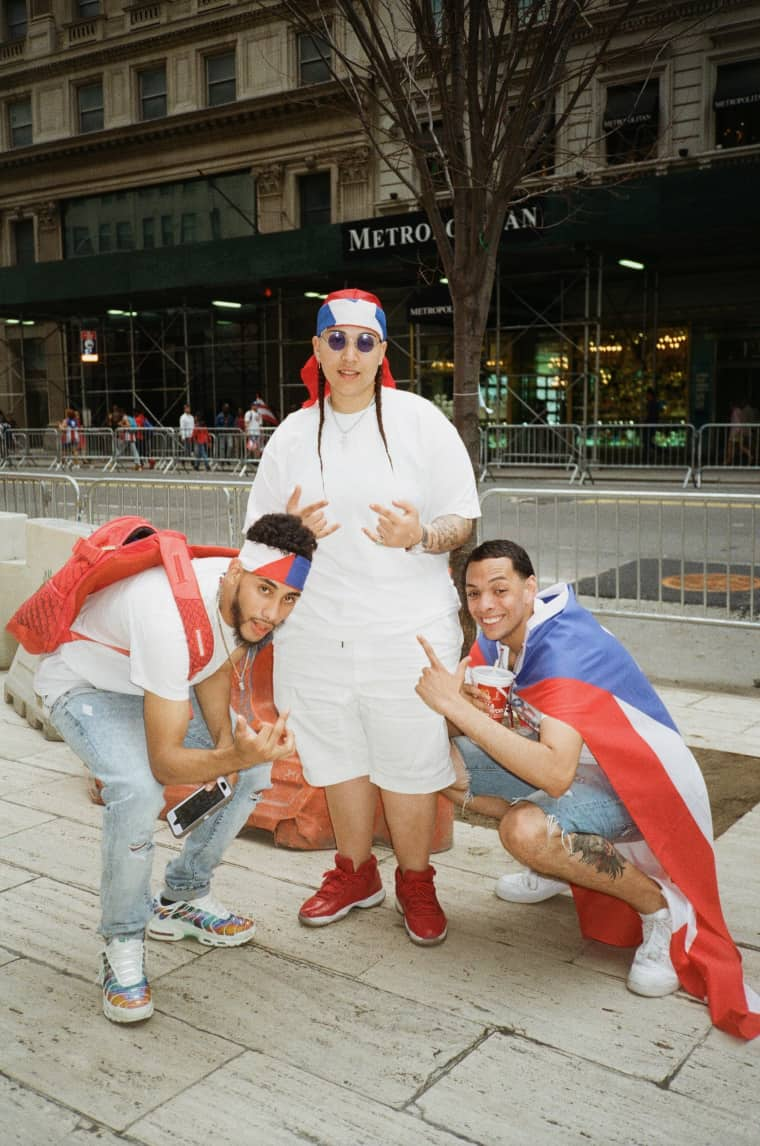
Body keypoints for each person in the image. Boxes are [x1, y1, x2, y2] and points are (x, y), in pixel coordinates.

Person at [414, 538, 760, 1040]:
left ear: (530, 587)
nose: (485, 605)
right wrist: (453, 705)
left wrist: (457, 709)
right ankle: (555, 864)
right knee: (429, 765)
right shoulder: (496, 638)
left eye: (499, 590)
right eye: (473, 593)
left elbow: (554, 773)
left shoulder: (563, 647)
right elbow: (494, 735)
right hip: (576, 772)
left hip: (639, 788)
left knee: (525, 830)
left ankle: (660, 910)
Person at [243, 287, 480, 946]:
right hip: (316, 630)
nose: (350, 354)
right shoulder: (290, 435)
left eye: (364, 341)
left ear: (382, 352)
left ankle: (415, 878)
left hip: (404, 628)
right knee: (337, 755)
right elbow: (255, 542)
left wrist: (420, 536)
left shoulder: (420, 420)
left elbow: (463, 516)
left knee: (408, 757)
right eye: (337, 340)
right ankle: (354, 872)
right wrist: (290, 533)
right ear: (317, 350)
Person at [33, 513, 317, 1024]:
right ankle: (122, 940)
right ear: (235, 573)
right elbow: (165, 763)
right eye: (265, 591)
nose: (274, 613)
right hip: (83, 685)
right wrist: (229, 755)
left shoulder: (238, 605)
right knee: (138, 791)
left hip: (149, 684)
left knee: (251, 772)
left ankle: (183, 897)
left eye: (289, 599)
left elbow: (209, 662)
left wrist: (232, 747)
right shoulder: (167, 612)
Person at [179, 403, 194, 467]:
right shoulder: (183, 417)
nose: (188, 409)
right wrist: (183, 436)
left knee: (190, 449)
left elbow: (193, 426)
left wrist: (193, 435)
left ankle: (190, 461)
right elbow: (182, 427)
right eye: (187, 408)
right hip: (186, 436)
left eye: (189, 408)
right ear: (185, 409)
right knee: (186, 449)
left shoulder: (191, 417)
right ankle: (185, 461)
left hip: (191, 435)